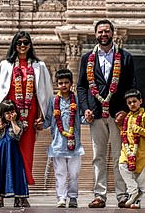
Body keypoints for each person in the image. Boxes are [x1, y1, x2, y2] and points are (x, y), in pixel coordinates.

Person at [0, 30, 54, 204]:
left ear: (30, 45)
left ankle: (20, 195)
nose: (22, 46)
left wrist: (42, 117)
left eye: (25, 43)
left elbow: (44, 94)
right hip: (10, 115)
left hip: (29, 117)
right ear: (14, 45)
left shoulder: (39, 66)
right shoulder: (6, 65)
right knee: (5, 152)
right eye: (19, 43)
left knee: (25, 154)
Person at [77, 19, 136, 208]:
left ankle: (122, 195)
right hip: (95, 114)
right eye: (100, 32)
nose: (104, 35)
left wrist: (125, 111)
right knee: (98, 156)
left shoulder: (125, 57)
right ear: (95, 34)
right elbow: (81, 87)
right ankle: (99, 195)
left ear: (113, 33)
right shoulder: (87, 58)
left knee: (120, 156)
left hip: (117, 113)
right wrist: (85, 108)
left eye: (107, 31)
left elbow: (131, 86)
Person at [43, 69, 86, 208]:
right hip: (58, 144)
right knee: (60, 173)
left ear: (71, 84)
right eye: (60, 83)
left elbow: (81, 118)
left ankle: (73, 197)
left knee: (74, 174)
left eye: (66, 82)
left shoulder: (77, 100)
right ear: (57, 84)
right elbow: (48, 120)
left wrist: (89, 118)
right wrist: (39, 124)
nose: (63, 85)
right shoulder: (53, 101)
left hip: (75, 144)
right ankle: (61, 198)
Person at [0, 100, 29, 207]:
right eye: (7, 113)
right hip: (1, 153)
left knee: (16, 173)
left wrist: (13, 121)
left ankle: (18, 198)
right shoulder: (1, 125)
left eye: (12, 112)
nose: (10, 115)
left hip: (13, 153)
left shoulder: (18, 123)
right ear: (3, 114)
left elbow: (17, 133)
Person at [118, 89, 145, 209]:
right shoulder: (127, 117)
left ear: (140, 101)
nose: (132, 104)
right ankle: (133, 190)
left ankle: (137, 201)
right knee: (122, 166)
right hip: (127, 150)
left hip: (141, 152)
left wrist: (138, 129)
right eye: (129, 102)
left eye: (134, 101)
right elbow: (124, 132)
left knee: (141, 178)